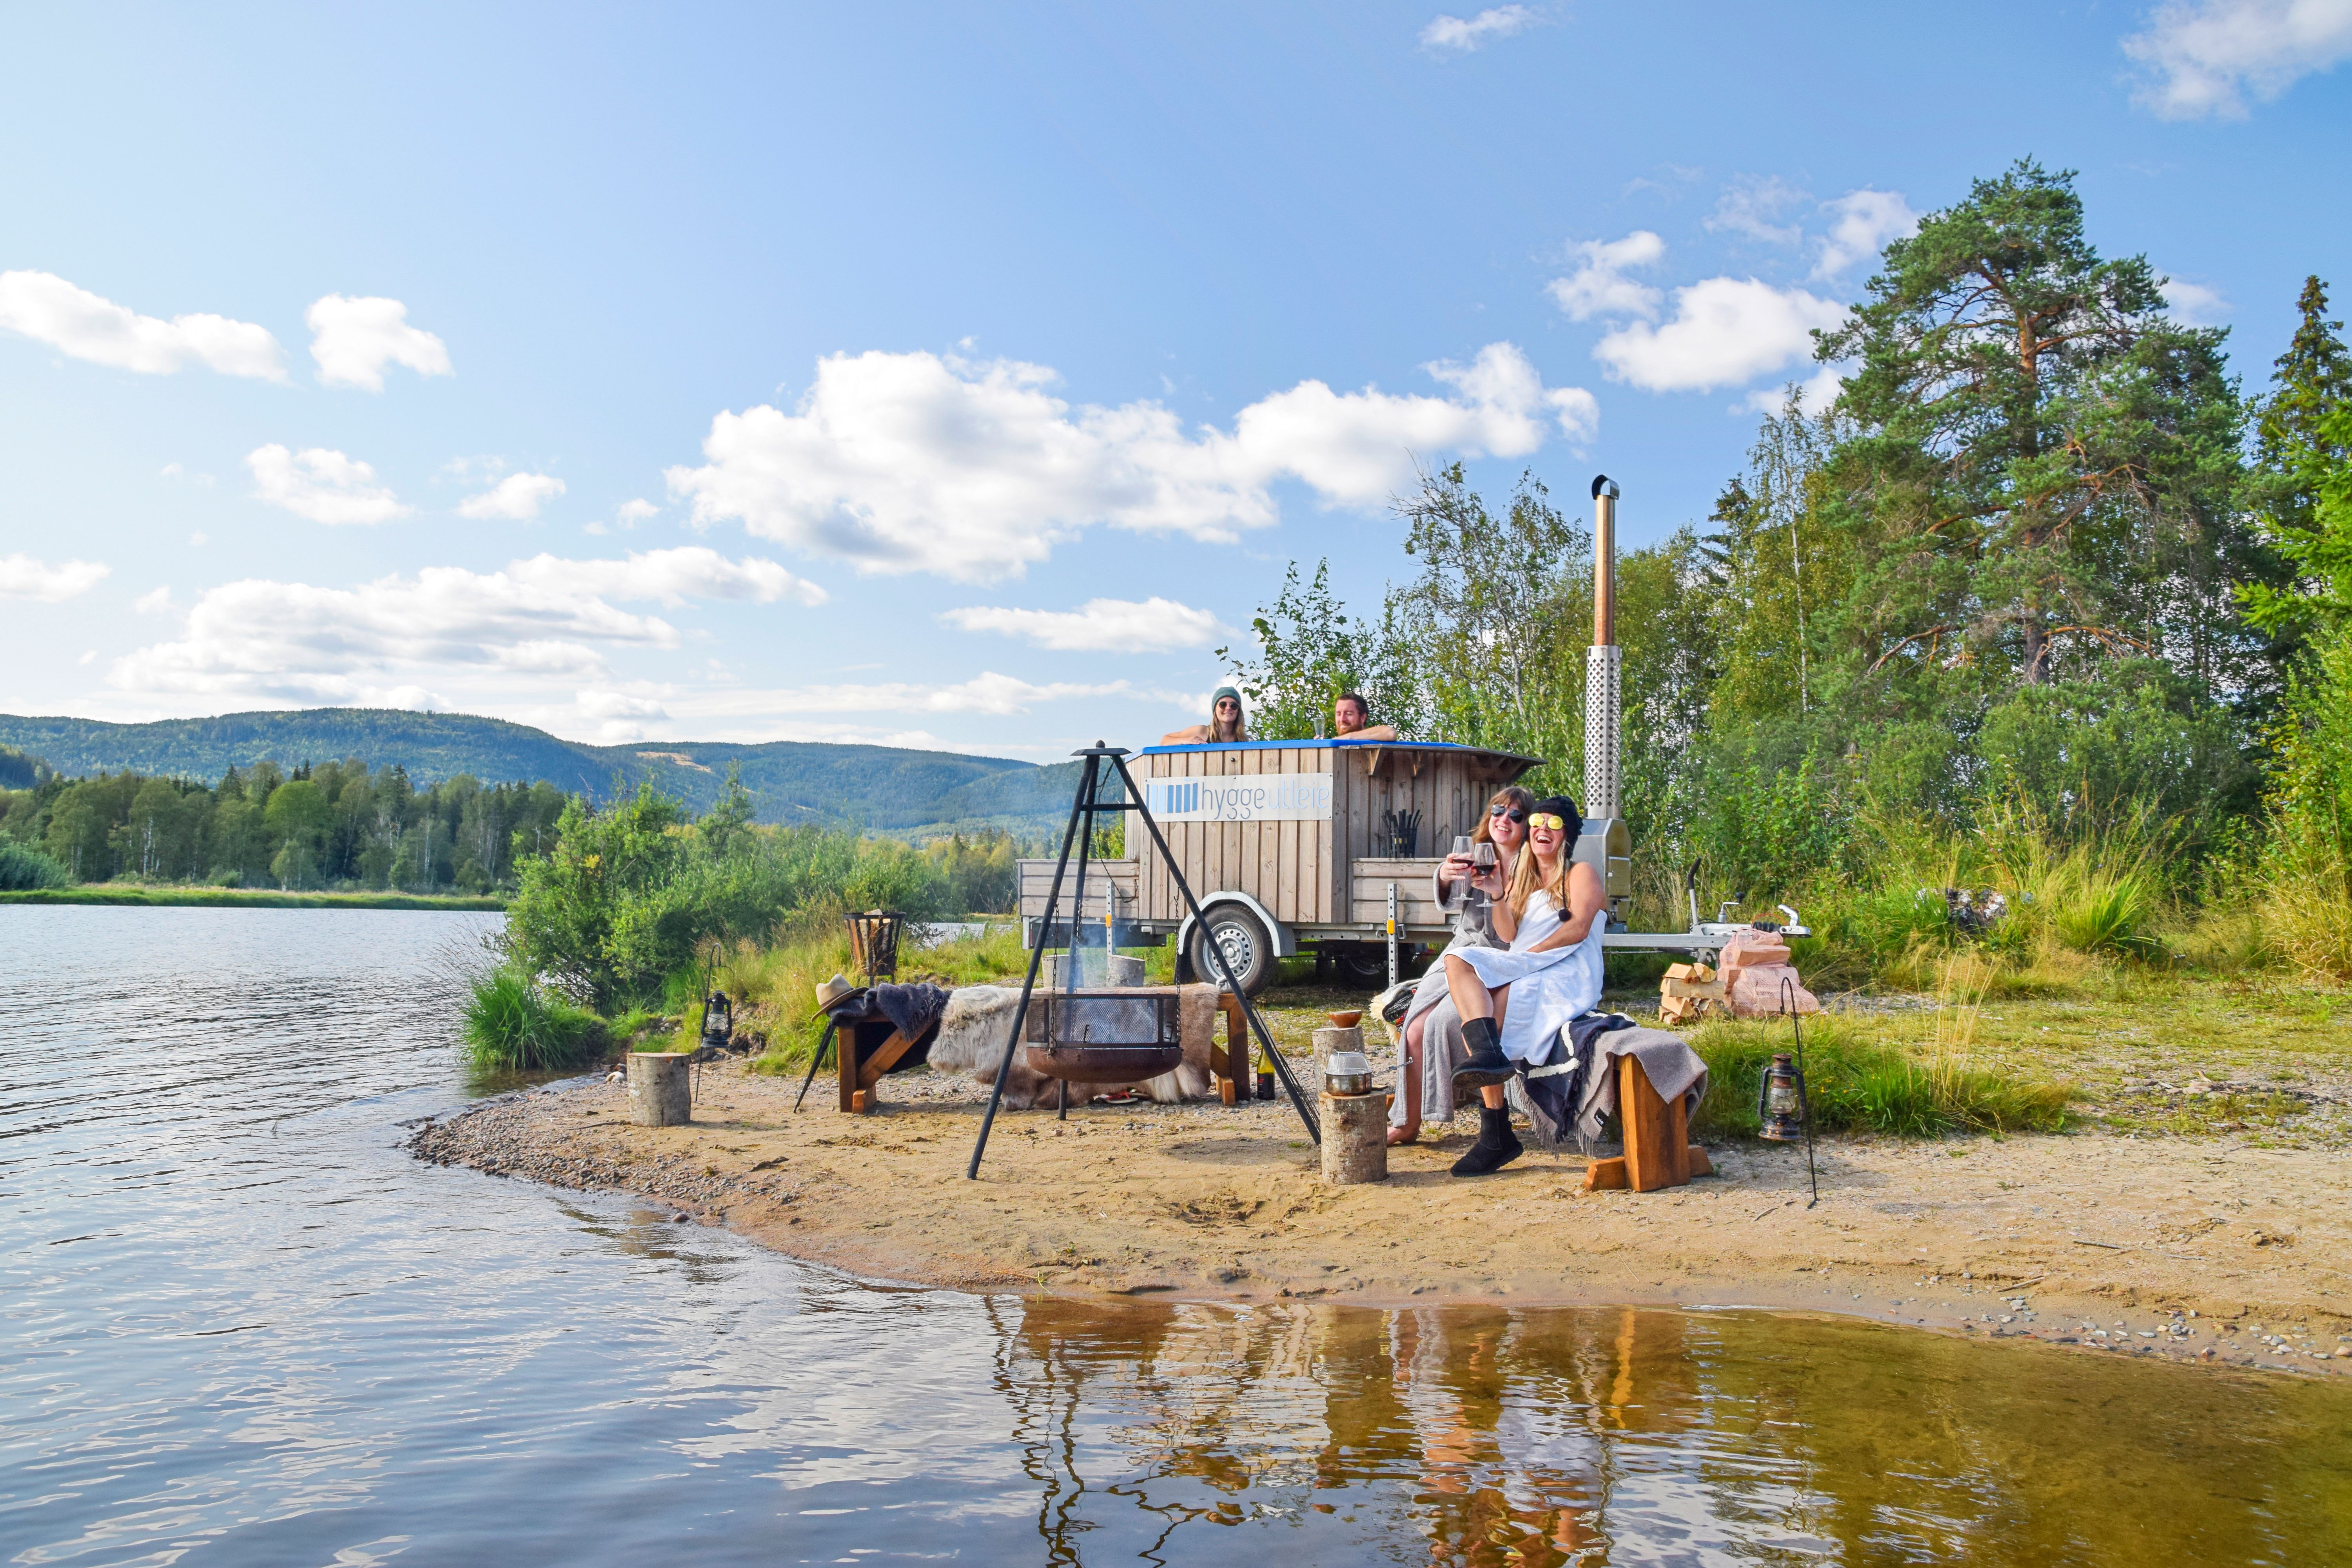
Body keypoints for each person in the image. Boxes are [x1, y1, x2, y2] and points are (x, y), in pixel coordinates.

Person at [1438, 795, 1608, 1176]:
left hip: (1568, 965)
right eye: (1537, 822)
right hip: (1530, 961)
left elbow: (1579, 927)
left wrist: (1528, 958)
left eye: (1554, 824)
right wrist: (1497, 891)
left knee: (1493, 1007)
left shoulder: (1581, 873)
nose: (1542, 829)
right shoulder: (1524, 877)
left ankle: (1495, 1132)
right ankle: (1494, 1110)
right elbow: (1507, 932)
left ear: (1567, 833)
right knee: (1461, 964)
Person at [1387, 785, 1533, 1147]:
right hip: (1459, 952)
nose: (1504, 820)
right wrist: (1444, 874)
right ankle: (1407, 1122)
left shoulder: (1532, 867)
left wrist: (1499, 891)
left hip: (1499, 961)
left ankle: (1439, 1116)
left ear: (1527, 824)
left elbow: (1512, 934)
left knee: (1436, 1024)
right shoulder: (1476, 854)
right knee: (1414, 1027)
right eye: (1499, 811)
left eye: (1516, 815)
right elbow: (1452, 904)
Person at [1161, 686, 1248, 745]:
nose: (1228, 708)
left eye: (1234, 706)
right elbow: (1164, 741)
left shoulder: (1245, 740)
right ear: (1215, 708)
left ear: (1238, 710)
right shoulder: (1202, 732)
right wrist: (1185, 740)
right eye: (1223, 705)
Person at [1331, 691, 1397, 742]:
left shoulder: (1371, 744)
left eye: (1349, 714)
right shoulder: (1331, 748)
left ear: (1363, 718)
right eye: (1339, 714)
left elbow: (1390, 733)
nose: (1342, 719)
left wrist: (1349, 738)